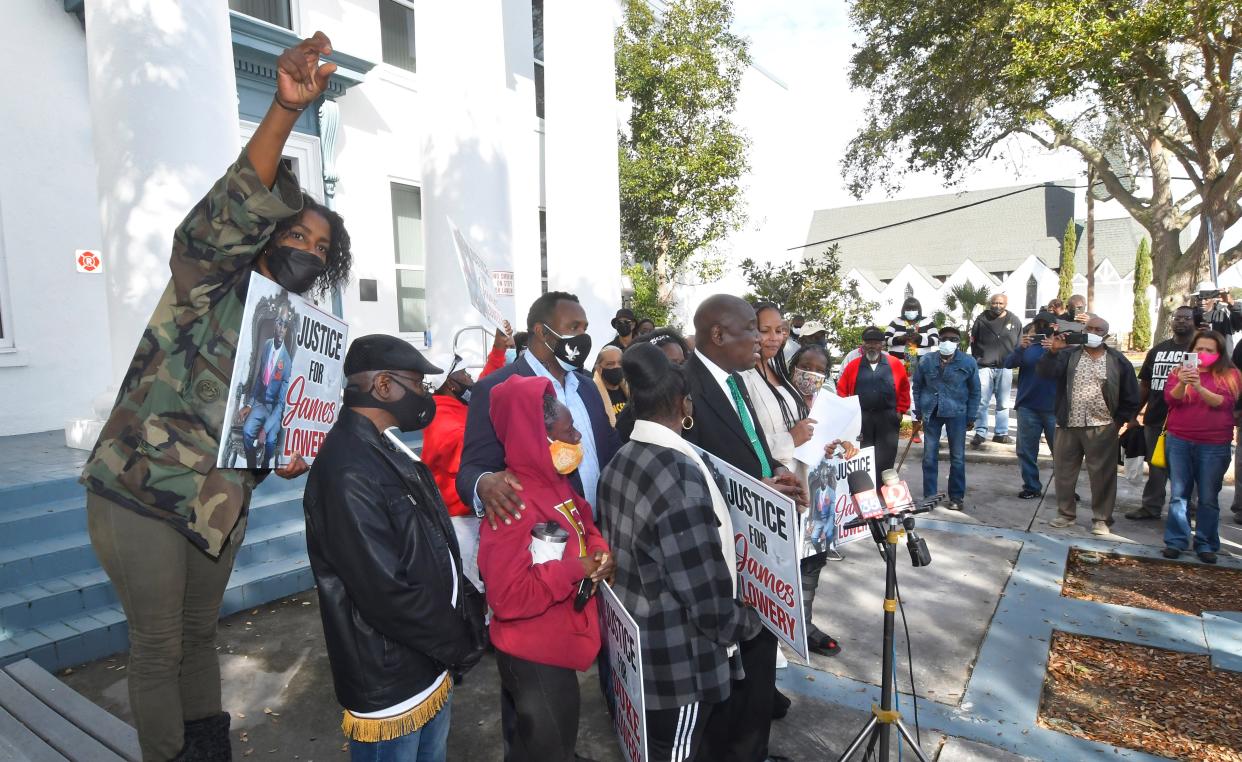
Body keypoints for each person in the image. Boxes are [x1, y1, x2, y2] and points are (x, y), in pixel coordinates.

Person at [77, 33, 350, 761]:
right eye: (297, 233)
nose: (310, 249)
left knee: (200, 636)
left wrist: (289, 453)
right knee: (159, 642)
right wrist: (284, 114)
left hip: (216, 504)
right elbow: (222, 218)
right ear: (263, 237)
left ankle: (207, 752)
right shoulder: (209, 285)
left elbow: (272, 429)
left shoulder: (294, 336)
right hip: (140, 491)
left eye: (323, 247)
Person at [303, 335, 485, 760]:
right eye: (418, 384)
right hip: (391, 674)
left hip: (425, 661)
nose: (425, 395)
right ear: (383, 386)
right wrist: (457, 641)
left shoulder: (385, 445)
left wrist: (463, 611)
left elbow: (433, 545)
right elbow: (385, 592)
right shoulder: (348, 471)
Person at [599, 343, 764, 762]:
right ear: (682, 403)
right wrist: (744, 621)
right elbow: (705, 593)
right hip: (678, 662)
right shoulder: (677, 473)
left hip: (640, 646)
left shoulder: (622, 458)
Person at [682, 294, 804, 762]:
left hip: (760, 545)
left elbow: (747, 447)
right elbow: (686, 469)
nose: (760, 338)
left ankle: (751, 750)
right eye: (751, 329)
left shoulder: (737, 382)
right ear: (718, 335)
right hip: (721, 552)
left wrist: (771, 477)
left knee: (758, 662)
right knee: (729, 668)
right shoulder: (685, 386)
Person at [476, 376, 614, 762]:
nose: (576, 437)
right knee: (548, 748)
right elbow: (507, 597)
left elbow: (585, 524)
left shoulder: (555, 484)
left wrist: (600, 554)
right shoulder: (512, 502)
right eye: (567, 429)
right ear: (540, 436)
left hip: (555, 642)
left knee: (543, 744)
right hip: (533, 653)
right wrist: (576, 569)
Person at [457, 291, 621, 530]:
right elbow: (472, 470)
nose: (582, 337)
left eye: (584, 328)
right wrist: (483, 484)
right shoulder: (496, 389)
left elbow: (609, 448)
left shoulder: (587, 387)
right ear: (542, 331)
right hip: (543, 542)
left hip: (600, 531)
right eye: (573, 327)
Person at [741, 303, 841, 659]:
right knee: (774, 571)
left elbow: (804, 426)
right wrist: (791, 440)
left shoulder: (781, 372)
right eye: (764, 330)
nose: (773, 338)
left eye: (780, 330)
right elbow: (743, 441)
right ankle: (770, 643)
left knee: (811, 558)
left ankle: (803, 625)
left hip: (809, 480)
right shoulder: (741, 377)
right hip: (773, 486)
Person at [421, 329, 510, 592]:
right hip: (464, 523)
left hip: (471, 517)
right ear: (451, 383)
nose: (471, 378)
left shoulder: (453, 406)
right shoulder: (445, 422)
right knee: (476, 589)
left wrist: (498, 351)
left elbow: (483, 384)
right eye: (465, 374)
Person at [1038, 315, 1142, 535]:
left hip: (1102, 425)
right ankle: (1065, 513)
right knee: (1064, 472)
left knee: (1102, 474)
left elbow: (1131, 394)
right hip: (1068, 423)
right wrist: (1053, 351)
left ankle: (1101, 519)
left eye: (1098, 329)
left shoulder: (1116, 360)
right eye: (1089, 328)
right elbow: (1045, 373)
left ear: (1106, 334)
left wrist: (1119, 421)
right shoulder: (1068, 355)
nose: (1093, 333)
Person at [1161, 330, 1238, 563]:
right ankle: (1176, 541)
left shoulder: (1231, 375)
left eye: (1209, 350)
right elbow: (1171, 400)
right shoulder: (1178, 371)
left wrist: (1200, 387)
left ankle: (1205, 543)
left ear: (1219, 353)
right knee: (1178, 495)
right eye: (1198, 349)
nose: (1202, 353)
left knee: (1208, 496)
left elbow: (1223, 403)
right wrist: (1184, 383)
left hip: (1214, 444)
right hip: (1179, 440)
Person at [1129, 306, 1197, 520]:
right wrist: (1133, 414)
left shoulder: (1199, 351)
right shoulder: (1157, 350)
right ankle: (1151, 507)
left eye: (1186, 318)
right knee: (1155, 464)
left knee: (1186, 469)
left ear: (1194, 321)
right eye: (1177, 318)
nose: (1181, 322)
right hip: (1156, 418)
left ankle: (1190, 510)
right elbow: (1146, 385)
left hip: (1186, 421)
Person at [911, 325, 980, 512]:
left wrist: (972, 415)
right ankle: (929, 496)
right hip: (931, 412)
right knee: (929, 457)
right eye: (944, 339)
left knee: (957, 457)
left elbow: (975, 391)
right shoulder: (926, 361)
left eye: (953, 339)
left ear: (959, 342)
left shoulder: (968, 362)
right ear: (939, 341)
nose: (948, 342)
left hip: (957, 413)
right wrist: (917, 410)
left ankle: (956, 497)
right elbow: (917, 386)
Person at [836, 326, 911, 473]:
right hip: (862, 419)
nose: (872, 346)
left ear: (882, 345)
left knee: (886, 457)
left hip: (888, 418)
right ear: (863, 345)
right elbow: (842, 390)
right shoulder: (853, 366)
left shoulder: (895, 364)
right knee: (862, 456)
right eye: (869, 342)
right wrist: (847, 415)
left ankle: (882, 490)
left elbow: (904, 389)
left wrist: (900, 411)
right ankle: (864, 492)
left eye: (876, 342)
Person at [1004, 311, 1059, 498]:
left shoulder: (1063, 347)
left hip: (1055, 408)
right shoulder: (1028, 346)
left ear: (1055, 327)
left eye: (1047, 324)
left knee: (1061, 453)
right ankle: (1031, 486)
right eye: (1039, 323)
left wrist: (1056, 349)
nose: (1043, 327)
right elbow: (1008, 363)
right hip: (1028, 406)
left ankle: (1065, 489)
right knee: (1026, 451)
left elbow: (1070, 367)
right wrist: (1021, 348)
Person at [615, 328, 691, 442]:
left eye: (682, 363)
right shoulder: (629, 419)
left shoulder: (687, 400)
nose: (680, 370)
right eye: (672, 364)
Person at [240, 305, 293, 468]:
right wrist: (249, 404)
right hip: (260, 404)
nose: (281, 329)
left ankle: (264, 465)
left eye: (285, 326)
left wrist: (265, 428)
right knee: (247, 431)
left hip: (274, 410)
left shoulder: (287, 362)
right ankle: (250, 466)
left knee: (270, 440)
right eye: (279, 323)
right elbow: (259, 380)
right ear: (275, 324)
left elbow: (281, 404)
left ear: (286, 330)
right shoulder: (267, 345)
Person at [970, 293, 1023, 448]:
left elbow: (1019, 343)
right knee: (982, 401)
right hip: (984, 366)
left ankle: (1001, 433)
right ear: (989, 304)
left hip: (1005, 367)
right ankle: (980, 432)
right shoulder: (981, 320)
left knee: (1004, 402)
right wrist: (978, 358)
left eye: (1000, 303)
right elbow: (974, 341)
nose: (997, 306)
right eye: (994, 303)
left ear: (1005, 304)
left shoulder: (1014, 320)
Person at [593, 345, 628, 426]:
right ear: (598, 368)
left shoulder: (631, 389)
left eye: (620, 363)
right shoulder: (594, 396)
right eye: (610, 364)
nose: (616, 367)